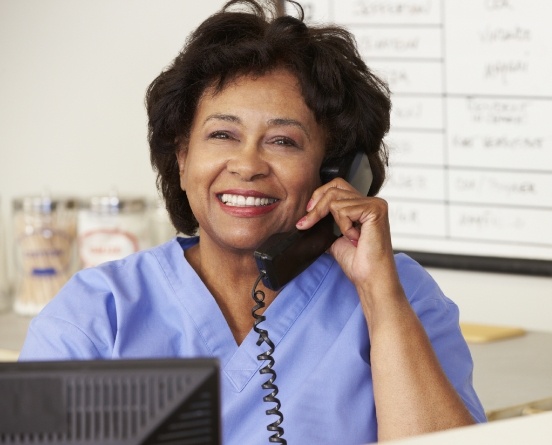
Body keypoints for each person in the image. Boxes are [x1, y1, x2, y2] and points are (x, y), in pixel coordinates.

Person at [19, 0, 486, 443]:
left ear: (336, 170)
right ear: (182, 158)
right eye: (222, 134)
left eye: (283, 141)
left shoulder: (401, 295)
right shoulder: (96, 315)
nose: (247, 165)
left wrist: (380, 299)